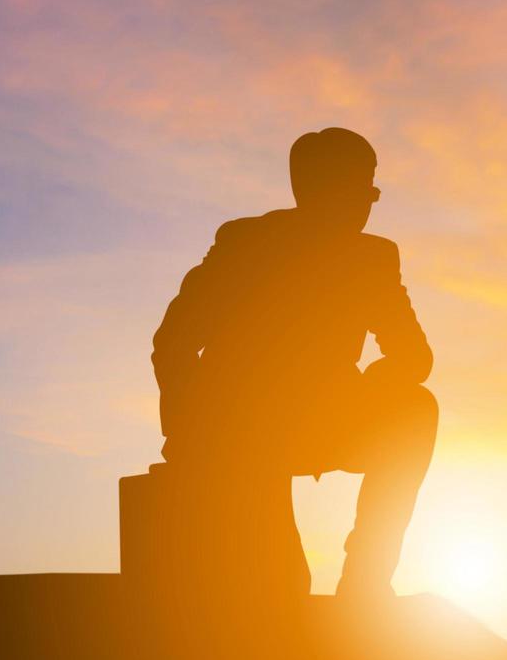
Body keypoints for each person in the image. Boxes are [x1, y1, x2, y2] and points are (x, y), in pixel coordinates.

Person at [151, 128, 437, 601]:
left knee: (415, 409)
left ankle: (364, 581)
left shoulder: (373, 258)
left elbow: (415, 358)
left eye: (373, 191)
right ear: (317, 189)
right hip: (242, 432)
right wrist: (185, 430)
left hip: (324, 421)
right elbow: (174, 342)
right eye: (364, 189)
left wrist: (387, 377)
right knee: (281, 586)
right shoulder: (243, 243)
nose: (369, 202)